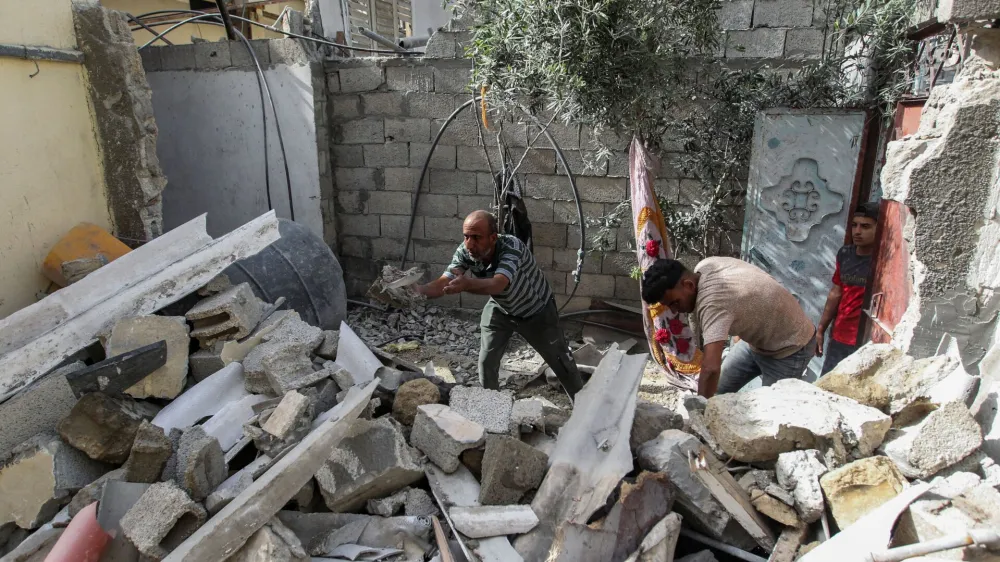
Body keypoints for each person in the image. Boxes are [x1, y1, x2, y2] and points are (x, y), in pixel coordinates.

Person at [414, 210, 584, 397]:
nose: (470, 244)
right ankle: (492, 409)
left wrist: (466, 284)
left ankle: (583, 411)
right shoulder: (466, 251)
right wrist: (417, 291)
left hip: (537, 312)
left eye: (477, 237)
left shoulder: (511, 246)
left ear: (493, 237)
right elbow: (444, 282)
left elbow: (498, 284)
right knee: (487, 363)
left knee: (562, 364)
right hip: (502, 310)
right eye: (466, 236)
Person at [641, 257, 815, 398]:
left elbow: (710, 368)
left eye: (675, 302)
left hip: (790, 347)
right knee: (717, 390)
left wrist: (700, 412)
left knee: (770, 417)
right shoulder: (705, 266)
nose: (674, 310)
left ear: (689, 285)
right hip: (755, 343)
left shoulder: (712, 303)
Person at [817, 202, 880, 374]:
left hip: (866, 341)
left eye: (865, 226)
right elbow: (836, 292)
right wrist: (821, 328)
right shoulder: (846, 254)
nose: (857, 231)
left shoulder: (882, 262)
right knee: (826, 386)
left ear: (879, 228)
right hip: (839, 337)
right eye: (854, 225)